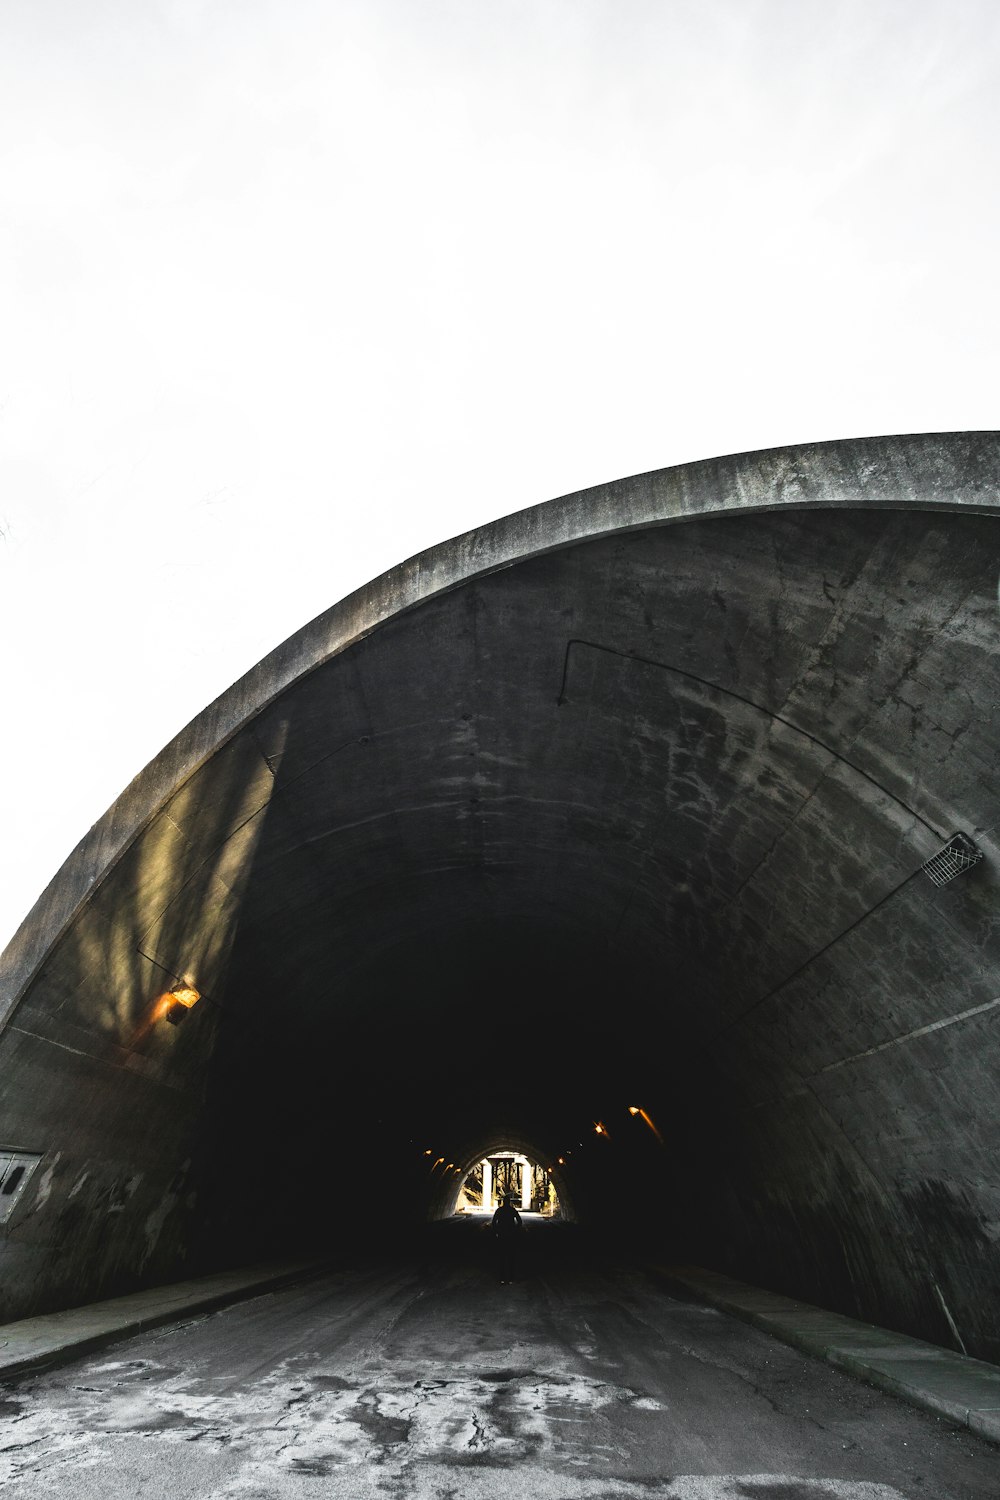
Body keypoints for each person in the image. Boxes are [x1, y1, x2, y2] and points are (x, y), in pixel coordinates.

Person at [491, 1194, 522, 1283]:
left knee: (502, 1258)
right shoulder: (512, 1210)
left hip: (501, 1236)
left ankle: (502, 1279)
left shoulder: (499, 1210)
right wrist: (515, 1231)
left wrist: (497, 1232)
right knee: (511, 1258)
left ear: (503, 1202)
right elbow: (519, 1221)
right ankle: (511, 1279)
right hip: (511, 1237)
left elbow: (493, 1223)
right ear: (509, 1202)